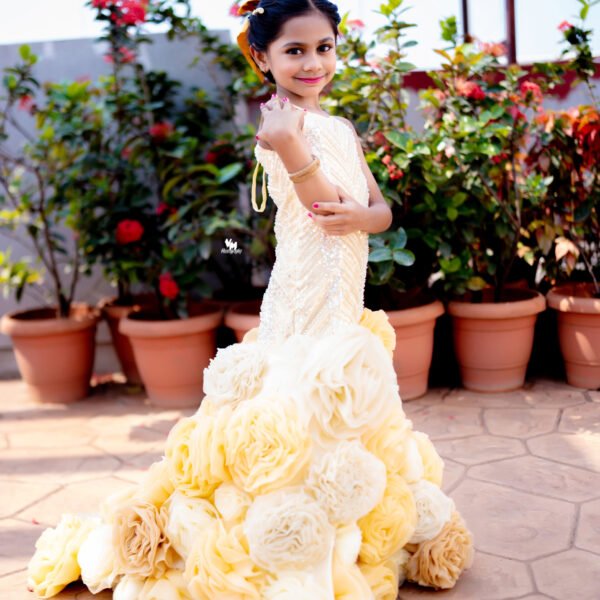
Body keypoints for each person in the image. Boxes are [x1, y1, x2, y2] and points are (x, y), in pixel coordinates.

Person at [27, 1, 474, 598]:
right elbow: (324, 211)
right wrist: (296, 150)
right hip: (301, 297)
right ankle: (278, 531)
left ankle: (344, 514)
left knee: (344, 409)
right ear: (262, 57)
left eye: (325, 48)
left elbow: (376, 212)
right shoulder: (278, 130)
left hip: (344, 297)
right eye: (295, 50)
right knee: (294, 408)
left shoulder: (338, 128)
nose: (313, 62)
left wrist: (366, 213)